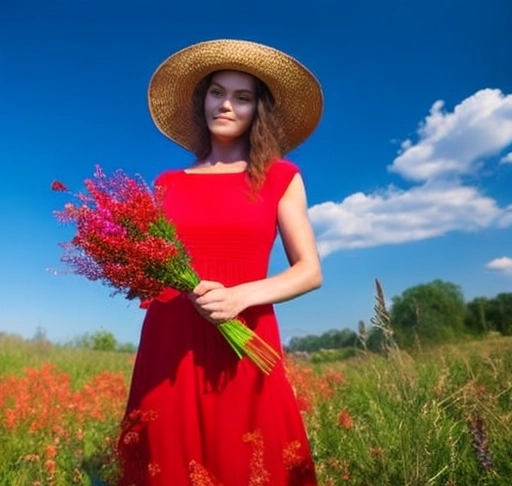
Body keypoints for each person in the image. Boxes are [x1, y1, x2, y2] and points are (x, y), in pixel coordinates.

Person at [117, 39, 324, 486]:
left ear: (257, 110)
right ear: (202, 100)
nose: (226, 105)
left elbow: (309, 270)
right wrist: (129, 268)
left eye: (242, 97)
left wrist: (239, 297)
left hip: (245, 339)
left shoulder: (280, 177)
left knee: (250, 465)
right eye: (217, 92)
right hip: (169, 343)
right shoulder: (167, 184)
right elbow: (156, 264)